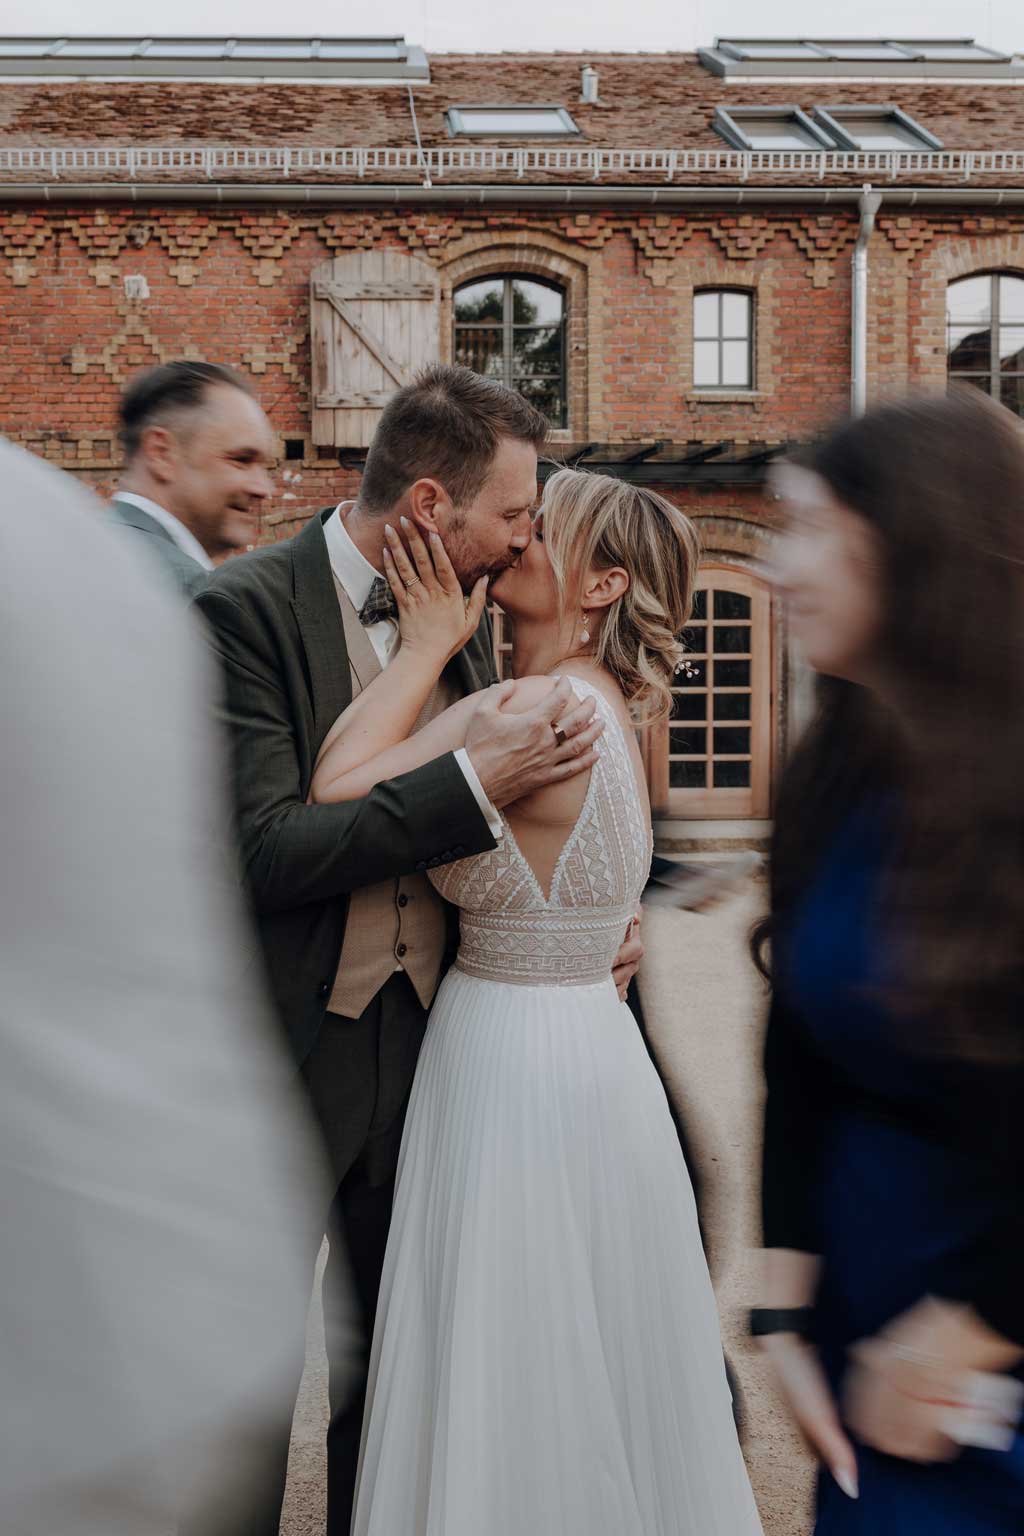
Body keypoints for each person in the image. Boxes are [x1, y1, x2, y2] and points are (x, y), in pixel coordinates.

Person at [193, 365, 642, 1536]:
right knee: (240, 1389)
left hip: (441, 1049)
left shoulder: (485, 622)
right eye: (513, 514)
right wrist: (466, 786)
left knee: (399, 1382)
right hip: (285, 1053)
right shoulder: (241, 610)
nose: (524, 538)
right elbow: (263, 853)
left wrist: (594, 916)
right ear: (435, 508)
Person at [310, 469, 762, 1535]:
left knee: (505, 1339)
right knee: (585, 1333)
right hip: (594, 1055)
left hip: (508, 1056)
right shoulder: (607, 705)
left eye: (542, 530)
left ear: (602, 583)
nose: (517, 539)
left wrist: (423, 648)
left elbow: (335, 790)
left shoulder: (525, 707)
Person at [0, 439, 324, 1535]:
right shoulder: (78, 550)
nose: (263, 482)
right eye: (241, 455)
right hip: (154, 1299)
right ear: (162, 454)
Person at [754, 391, 1024, 1534]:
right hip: (872, 1302)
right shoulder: (844, 766)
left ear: (912, 545)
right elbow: (797, 1051)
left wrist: (973, 1321)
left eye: (809, 526)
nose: (776, 566)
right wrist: (781, 1307)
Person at [109, 360, 276, 598]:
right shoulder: (188, 592)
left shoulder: (88, 550)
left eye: (264, 467)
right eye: (242, 459)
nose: (263, 488)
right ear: (161, 453)